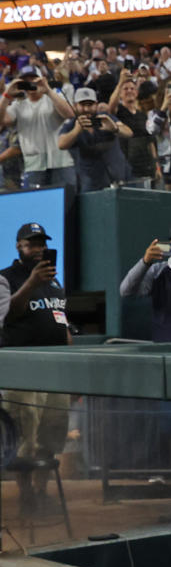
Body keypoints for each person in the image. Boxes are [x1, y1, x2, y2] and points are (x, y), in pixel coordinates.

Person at [0, 222, 71, 518]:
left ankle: (41, 494)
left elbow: (61, 320)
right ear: (18, 246)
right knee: (25, 439)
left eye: (41, 243)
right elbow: (7, 313)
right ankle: (26, 496)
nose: (38, 248)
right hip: (23, 373)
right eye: (31, 243)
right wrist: (30, 282)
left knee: (51, 438)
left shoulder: (54, 282)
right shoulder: (6, 278)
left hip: (55, 371)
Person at [0, 68, 76, 190]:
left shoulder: (54, 97)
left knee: (66, 203)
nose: (30, 85)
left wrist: (48, 91)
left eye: (34, 80)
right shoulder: (18, 106)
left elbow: (70, 114)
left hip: (61, 161)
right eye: (26, 82)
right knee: (35, 205)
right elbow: (2, 120)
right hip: (34, 165)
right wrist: (6, 95)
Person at [56, 87, 133, 192]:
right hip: (90, 181)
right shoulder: (72, 124)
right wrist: (77, 130)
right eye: (83, 105)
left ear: (96, 105)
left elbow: (129, 132)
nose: (87, 109)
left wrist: (115, 128)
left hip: (119, 175)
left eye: (90, 105)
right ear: (75, 106)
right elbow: (61, 144)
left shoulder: (105, 118)